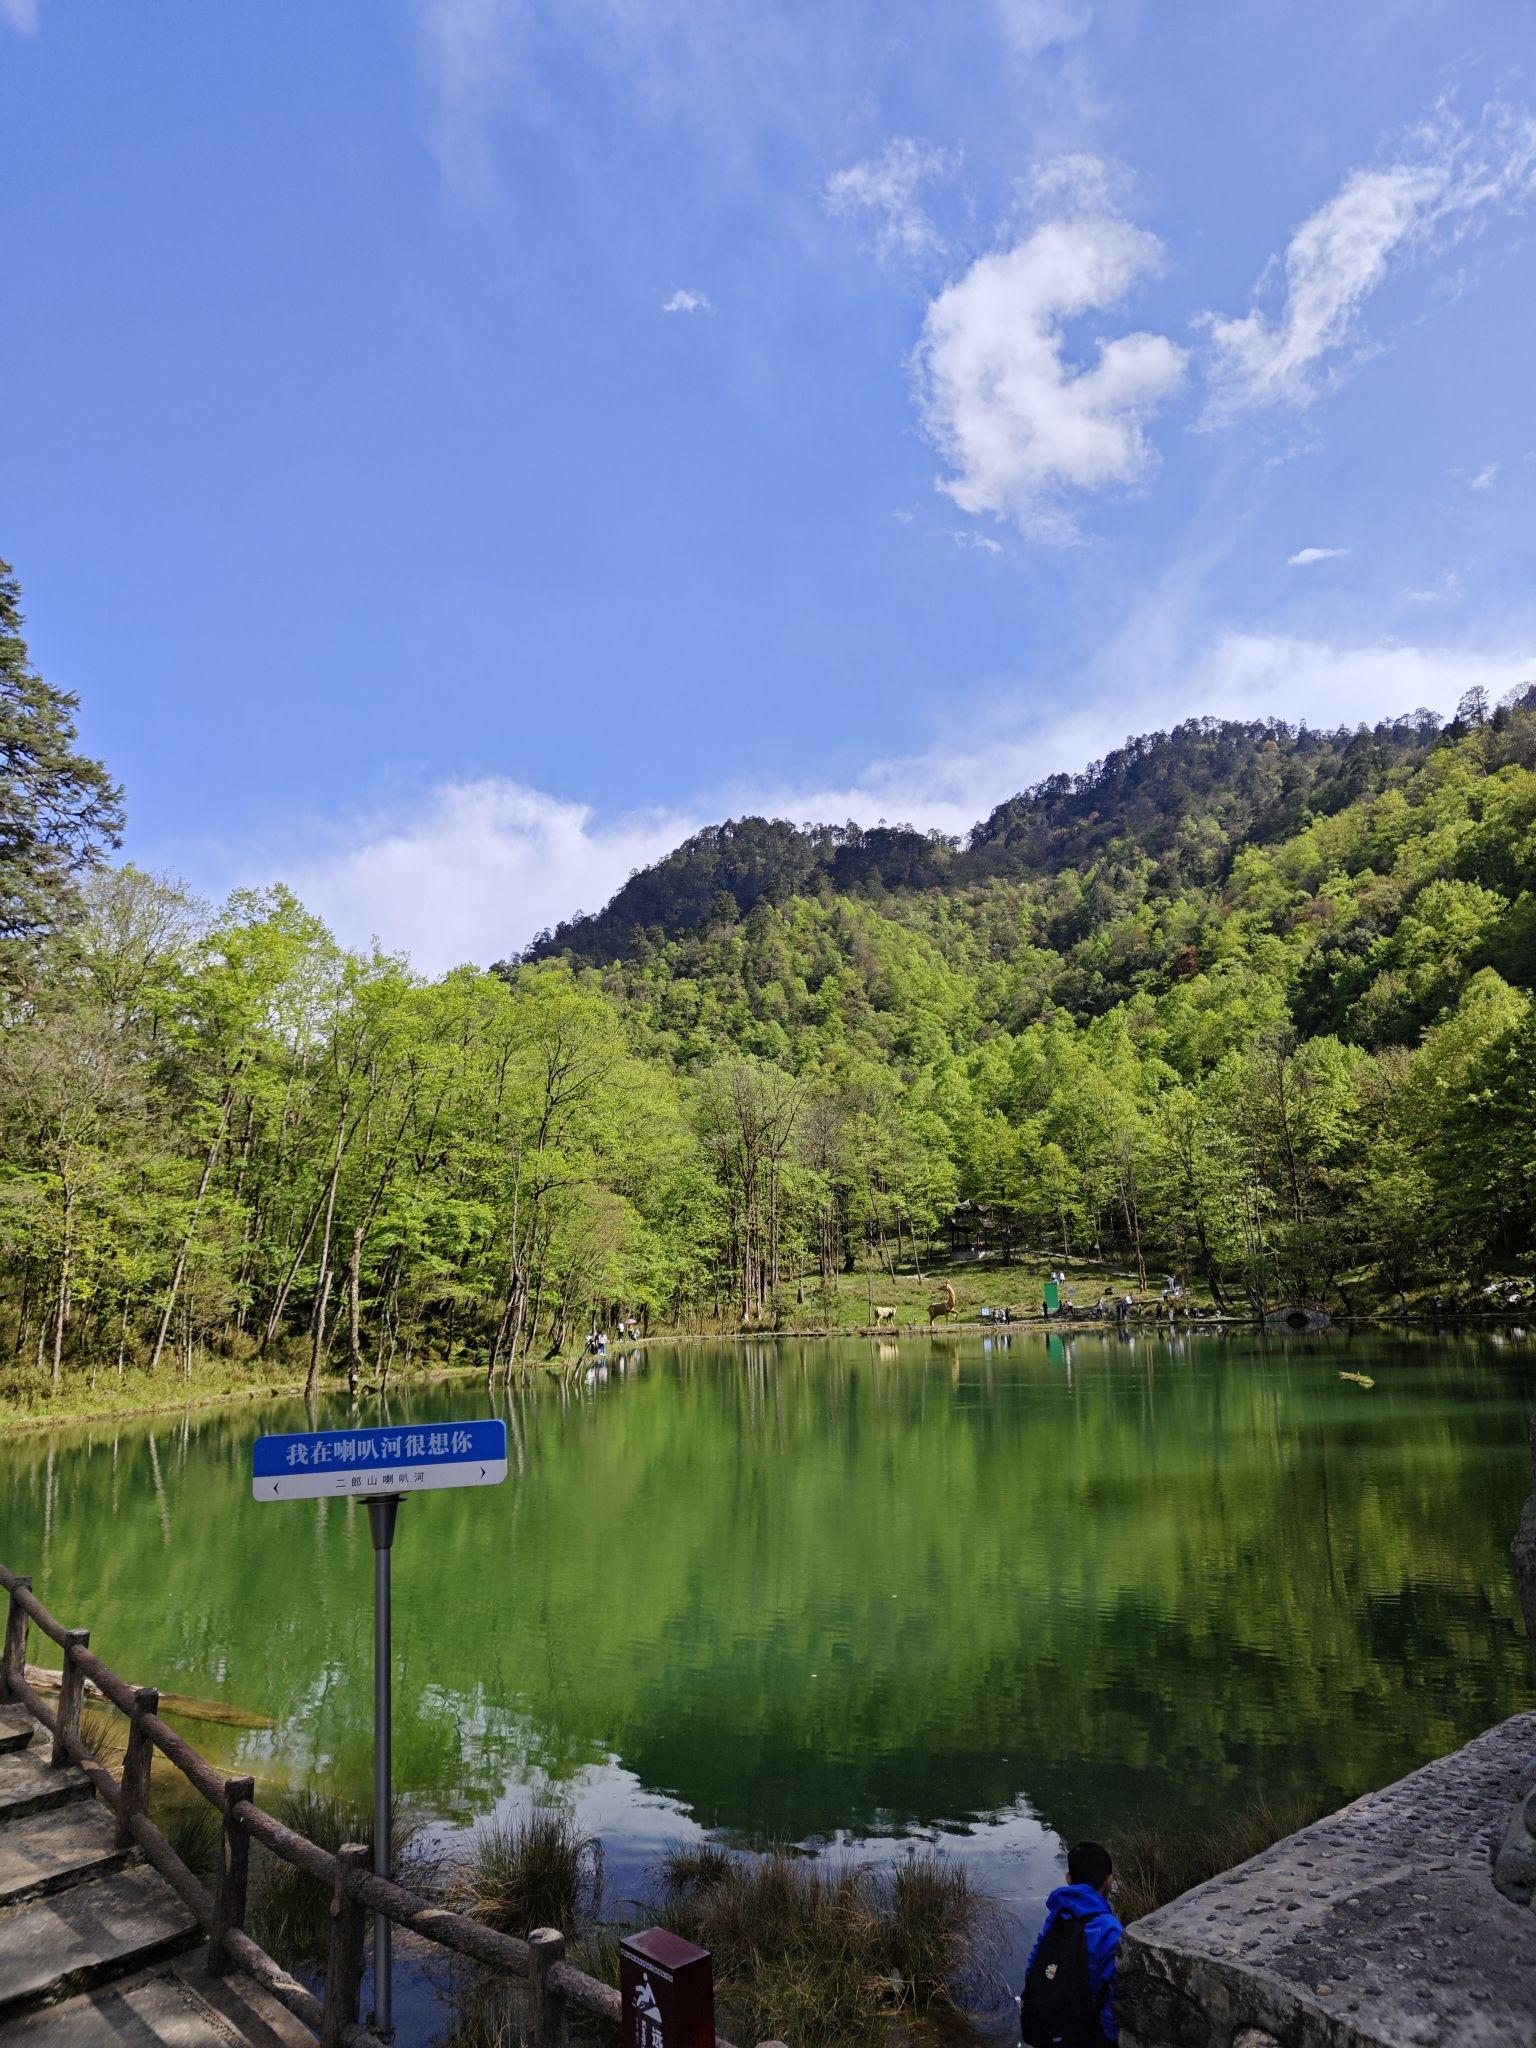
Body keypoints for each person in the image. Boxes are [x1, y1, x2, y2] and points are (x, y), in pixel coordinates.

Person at [1019, 1840, 1123, 2046]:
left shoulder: (1058, 1913)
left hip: (1051, 2024)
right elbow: (1117, 1989)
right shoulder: (1109, 1928)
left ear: (1068, 1879)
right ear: (1109, 1881)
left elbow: (1034, 1962)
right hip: (1088, 2032)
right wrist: (1110, 2036)